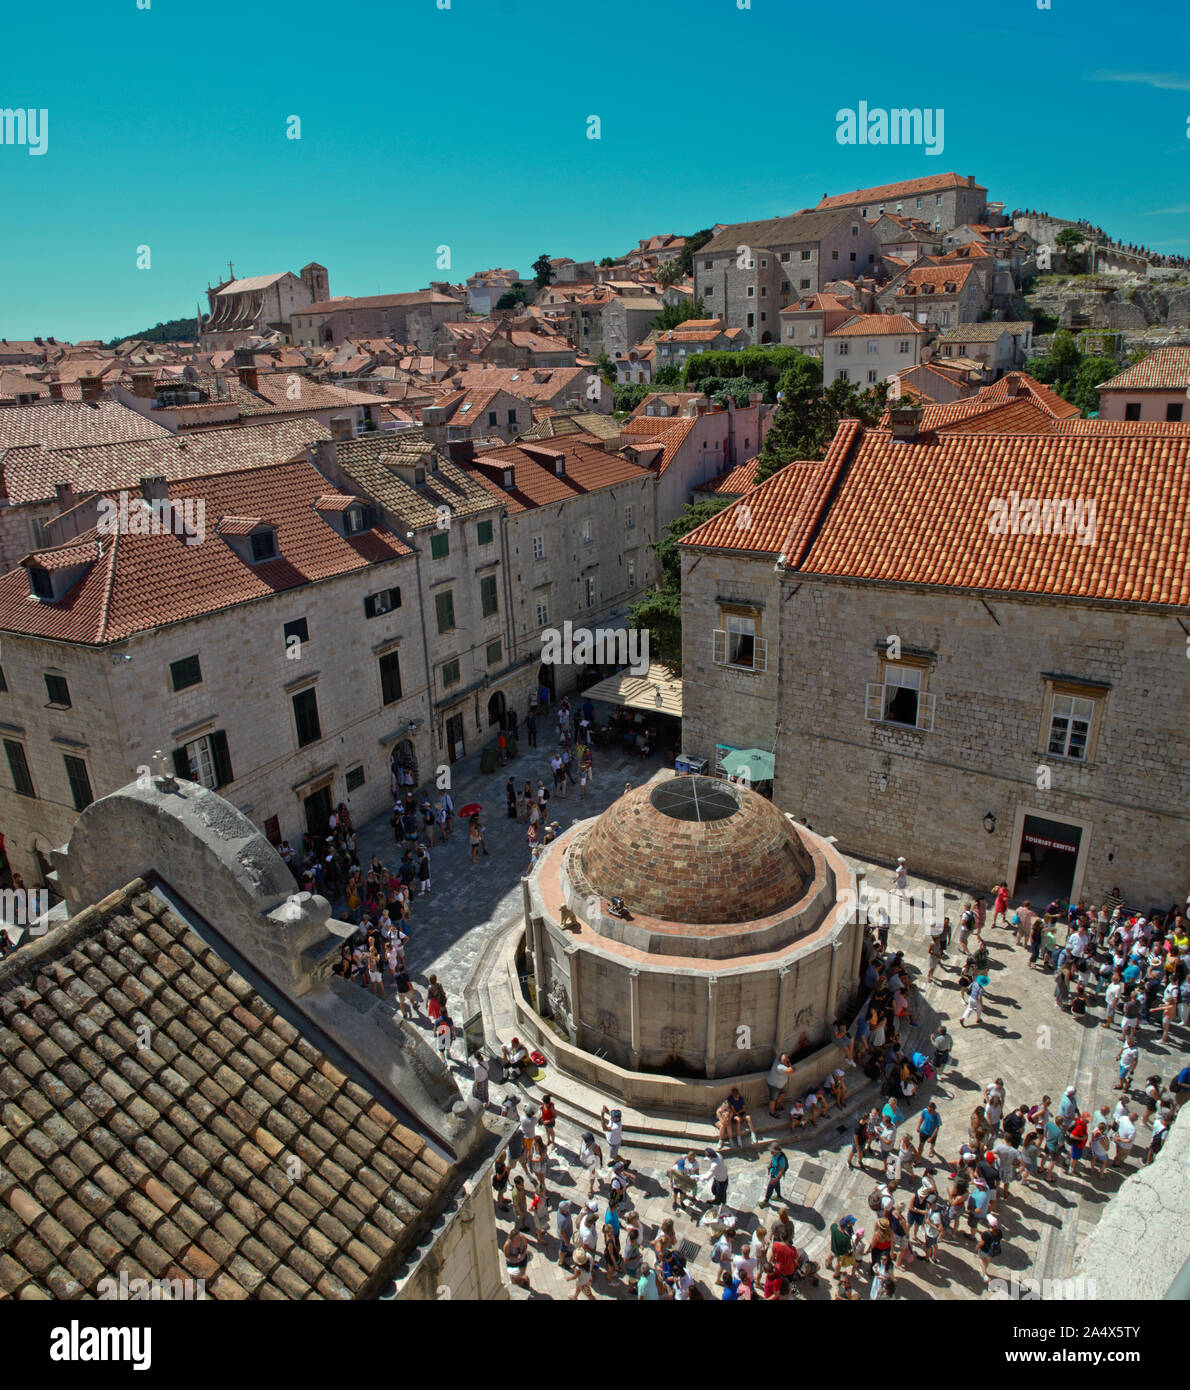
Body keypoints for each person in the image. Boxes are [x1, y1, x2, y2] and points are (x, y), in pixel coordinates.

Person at [761, 1143, 789, 1207]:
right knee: (777, 1185)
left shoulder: (781, 1159)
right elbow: (772, 1158)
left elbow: (782, 1171)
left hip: (776, 1176)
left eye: (772, 1151)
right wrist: (770, 1164)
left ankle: (765, 1201)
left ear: (776, 1151)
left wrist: (776, 1179)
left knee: (770, 1188)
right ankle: (778, 1196)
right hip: (773, 1172)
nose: (771, 1152)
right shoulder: (774, 1154)